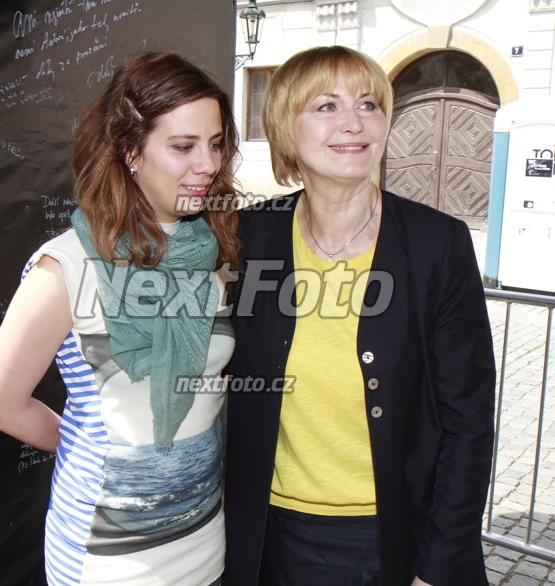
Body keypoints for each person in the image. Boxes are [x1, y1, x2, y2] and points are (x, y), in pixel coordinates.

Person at [223, 45, 495, 586]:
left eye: (369, 104)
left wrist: (438, 566)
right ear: (285, 129)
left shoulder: (437, 244)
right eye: (326, 106)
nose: (354, 122)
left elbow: (467, 422)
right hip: (273, 535)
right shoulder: (250, 237)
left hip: (394, 537)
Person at [0, 51, 240, 586]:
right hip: (107, 559)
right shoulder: (66, 265)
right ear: (131, 151)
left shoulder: (212, 253)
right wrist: (93, 450)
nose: (208, 164)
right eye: (183, 146)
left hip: (204, 543)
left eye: (215, 144)